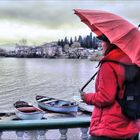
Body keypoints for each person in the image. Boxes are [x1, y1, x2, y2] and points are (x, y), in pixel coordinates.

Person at [80, 34, 139, 140]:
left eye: (102, 42)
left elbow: (105, 97)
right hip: (131, 127)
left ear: (111, 43)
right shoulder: (135, 63)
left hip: (109, 129)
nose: (101, 44)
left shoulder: (109, 64)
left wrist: (86, 97)